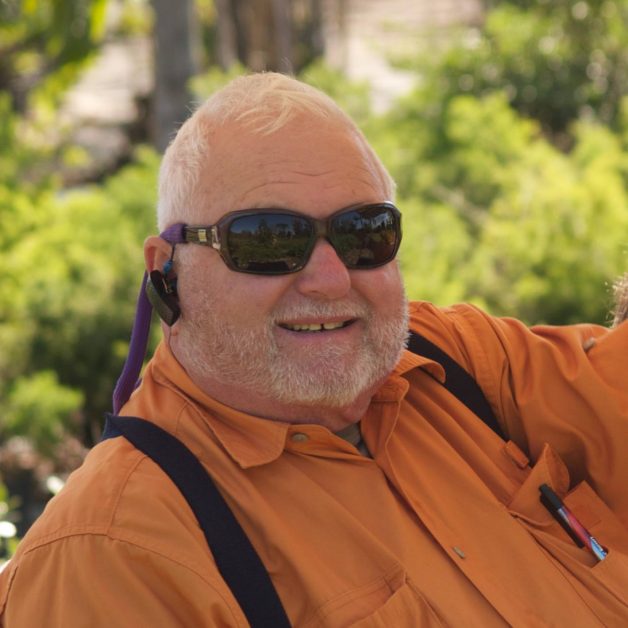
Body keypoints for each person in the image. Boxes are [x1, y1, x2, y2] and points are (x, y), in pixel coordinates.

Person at [1, 73, 627, 627]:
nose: (329, 278)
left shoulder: (453, 363)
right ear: (167, 271)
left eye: (363, 233)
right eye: (268, 240)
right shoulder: (109, 555)